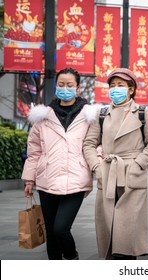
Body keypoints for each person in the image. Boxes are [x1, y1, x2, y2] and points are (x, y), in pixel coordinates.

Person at [83, 68, 148, 260]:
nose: (115, 89)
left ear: (131, 89)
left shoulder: (143, 113)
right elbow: (89, 143)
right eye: (112, 86)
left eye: (120, 85)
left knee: (128, 228)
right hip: (108, 173)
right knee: (108, 224)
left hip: (132, 173)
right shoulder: (102, 114)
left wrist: (138, 164)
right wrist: (97, 167)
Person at [22, 67, 99, 260]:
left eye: (70, 85)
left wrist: (95, 164)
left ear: (78, 88)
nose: (65, 88)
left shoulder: (90, 116)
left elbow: (97, 145)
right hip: (47, 180)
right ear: (56, 86)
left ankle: (72, 258)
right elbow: (34, 151)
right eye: (61, 84)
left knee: (61, 228)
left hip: (76, 180)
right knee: (51, 231)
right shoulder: (43, 117)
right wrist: (29, 179)